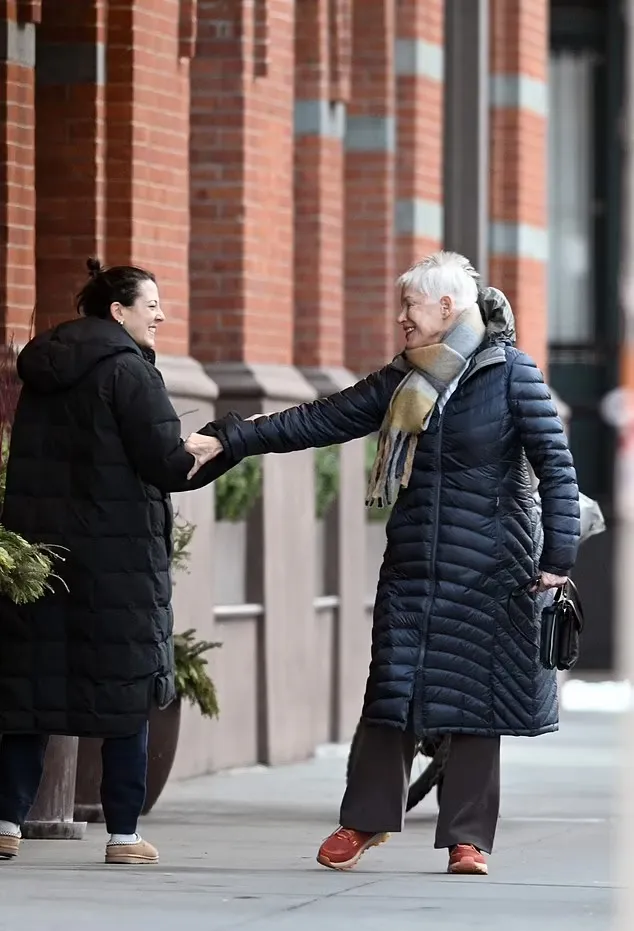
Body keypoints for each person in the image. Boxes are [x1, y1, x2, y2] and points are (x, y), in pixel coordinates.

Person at [185, 251, 581, 876]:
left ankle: (467, 839)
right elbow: (321, 417)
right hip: (415, 565)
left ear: (446, 309)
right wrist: (230, 436)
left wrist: (557, 556)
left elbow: (557, 468)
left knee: (478, 704)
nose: (401, 318)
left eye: (411, 307)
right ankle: (365, 821)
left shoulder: (513, 375)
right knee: (392, 692)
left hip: (492, 570)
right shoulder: (405, 379)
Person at [0, 258, 231, 865]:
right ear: (118, 312)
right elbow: (168, 465)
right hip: (116, 565)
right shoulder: (129, 372)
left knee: (31, 693)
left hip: (44, 560)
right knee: (126, 696)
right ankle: (124, 836)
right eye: (150, 304)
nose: (161, 314)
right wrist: (226, 439)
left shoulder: (43, 373)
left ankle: (5, 824)